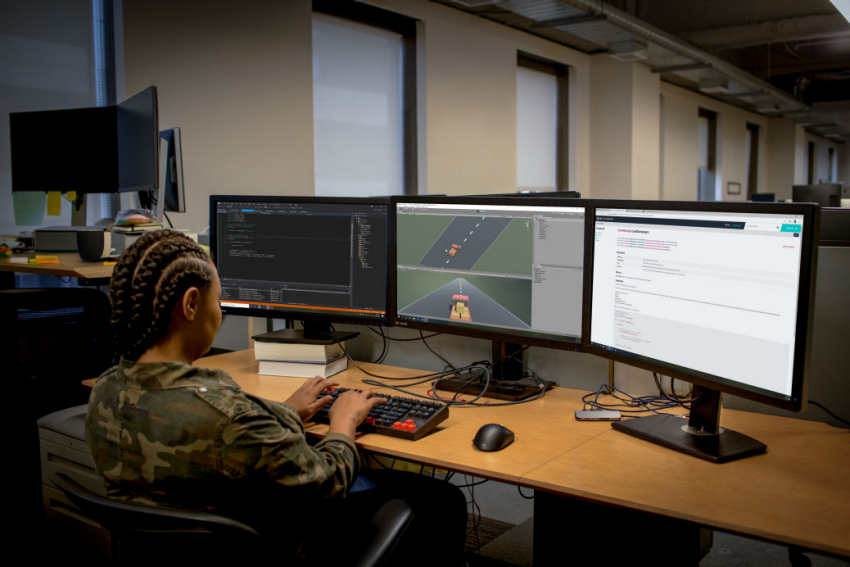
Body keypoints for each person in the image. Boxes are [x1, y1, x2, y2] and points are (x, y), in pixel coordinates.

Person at [85, 229, 466, 565]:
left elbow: (222, 440)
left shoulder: (105, 389)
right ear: (189, 304)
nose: (219, 312)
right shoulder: (227, 417)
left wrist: (285, 412)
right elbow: (327, 482)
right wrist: (343, 423)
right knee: (439, 498)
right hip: (280, 546)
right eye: (217, 301)